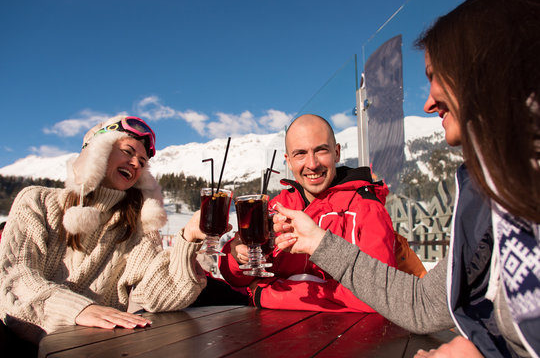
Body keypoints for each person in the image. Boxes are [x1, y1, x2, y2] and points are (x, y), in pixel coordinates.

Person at [273, 0, 540, 357]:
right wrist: (318, 242)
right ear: (287, 162)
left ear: (489, 71)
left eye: (436, 77)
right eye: (300, 154)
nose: (428, 103)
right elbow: (424, 306)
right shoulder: (492, 191)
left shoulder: (369, 204)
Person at [0, 116, 208, 354]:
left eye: (142, 161)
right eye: (128, 151)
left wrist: (189, 239)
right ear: (98, 150)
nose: (136, 163)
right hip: (20, 344)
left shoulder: (136, 225)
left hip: (96, 348)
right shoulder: (37, 201)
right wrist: (77, 309)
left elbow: (155, 297)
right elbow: (13, 277)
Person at [219, 114, 405, 312]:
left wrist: (268, 295)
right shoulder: (277, 206)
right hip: (272, 336)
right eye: (300, 154)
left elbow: (381, 293)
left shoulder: (366, 208)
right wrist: (238, 258)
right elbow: (234, 277)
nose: (312, 164)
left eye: (321, 150)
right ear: (288, 161)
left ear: (337, 152)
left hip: (348, 337)